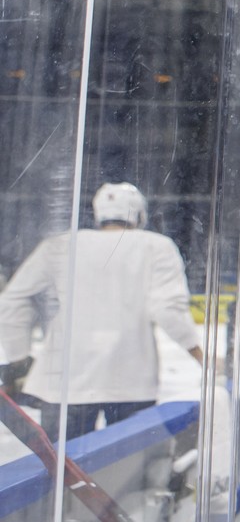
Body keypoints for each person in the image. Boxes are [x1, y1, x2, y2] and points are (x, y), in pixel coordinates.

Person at [0, 182, 205, 440]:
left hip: (62, 383)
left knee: (65, 474)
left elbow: (12, 301)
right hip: (130, 382)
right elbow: (167, 308)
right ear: (140, 214)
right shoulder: (157, 246)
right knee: (125, 472)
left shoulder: (60, 245)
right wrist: (198, 354)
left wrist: (19, 358)